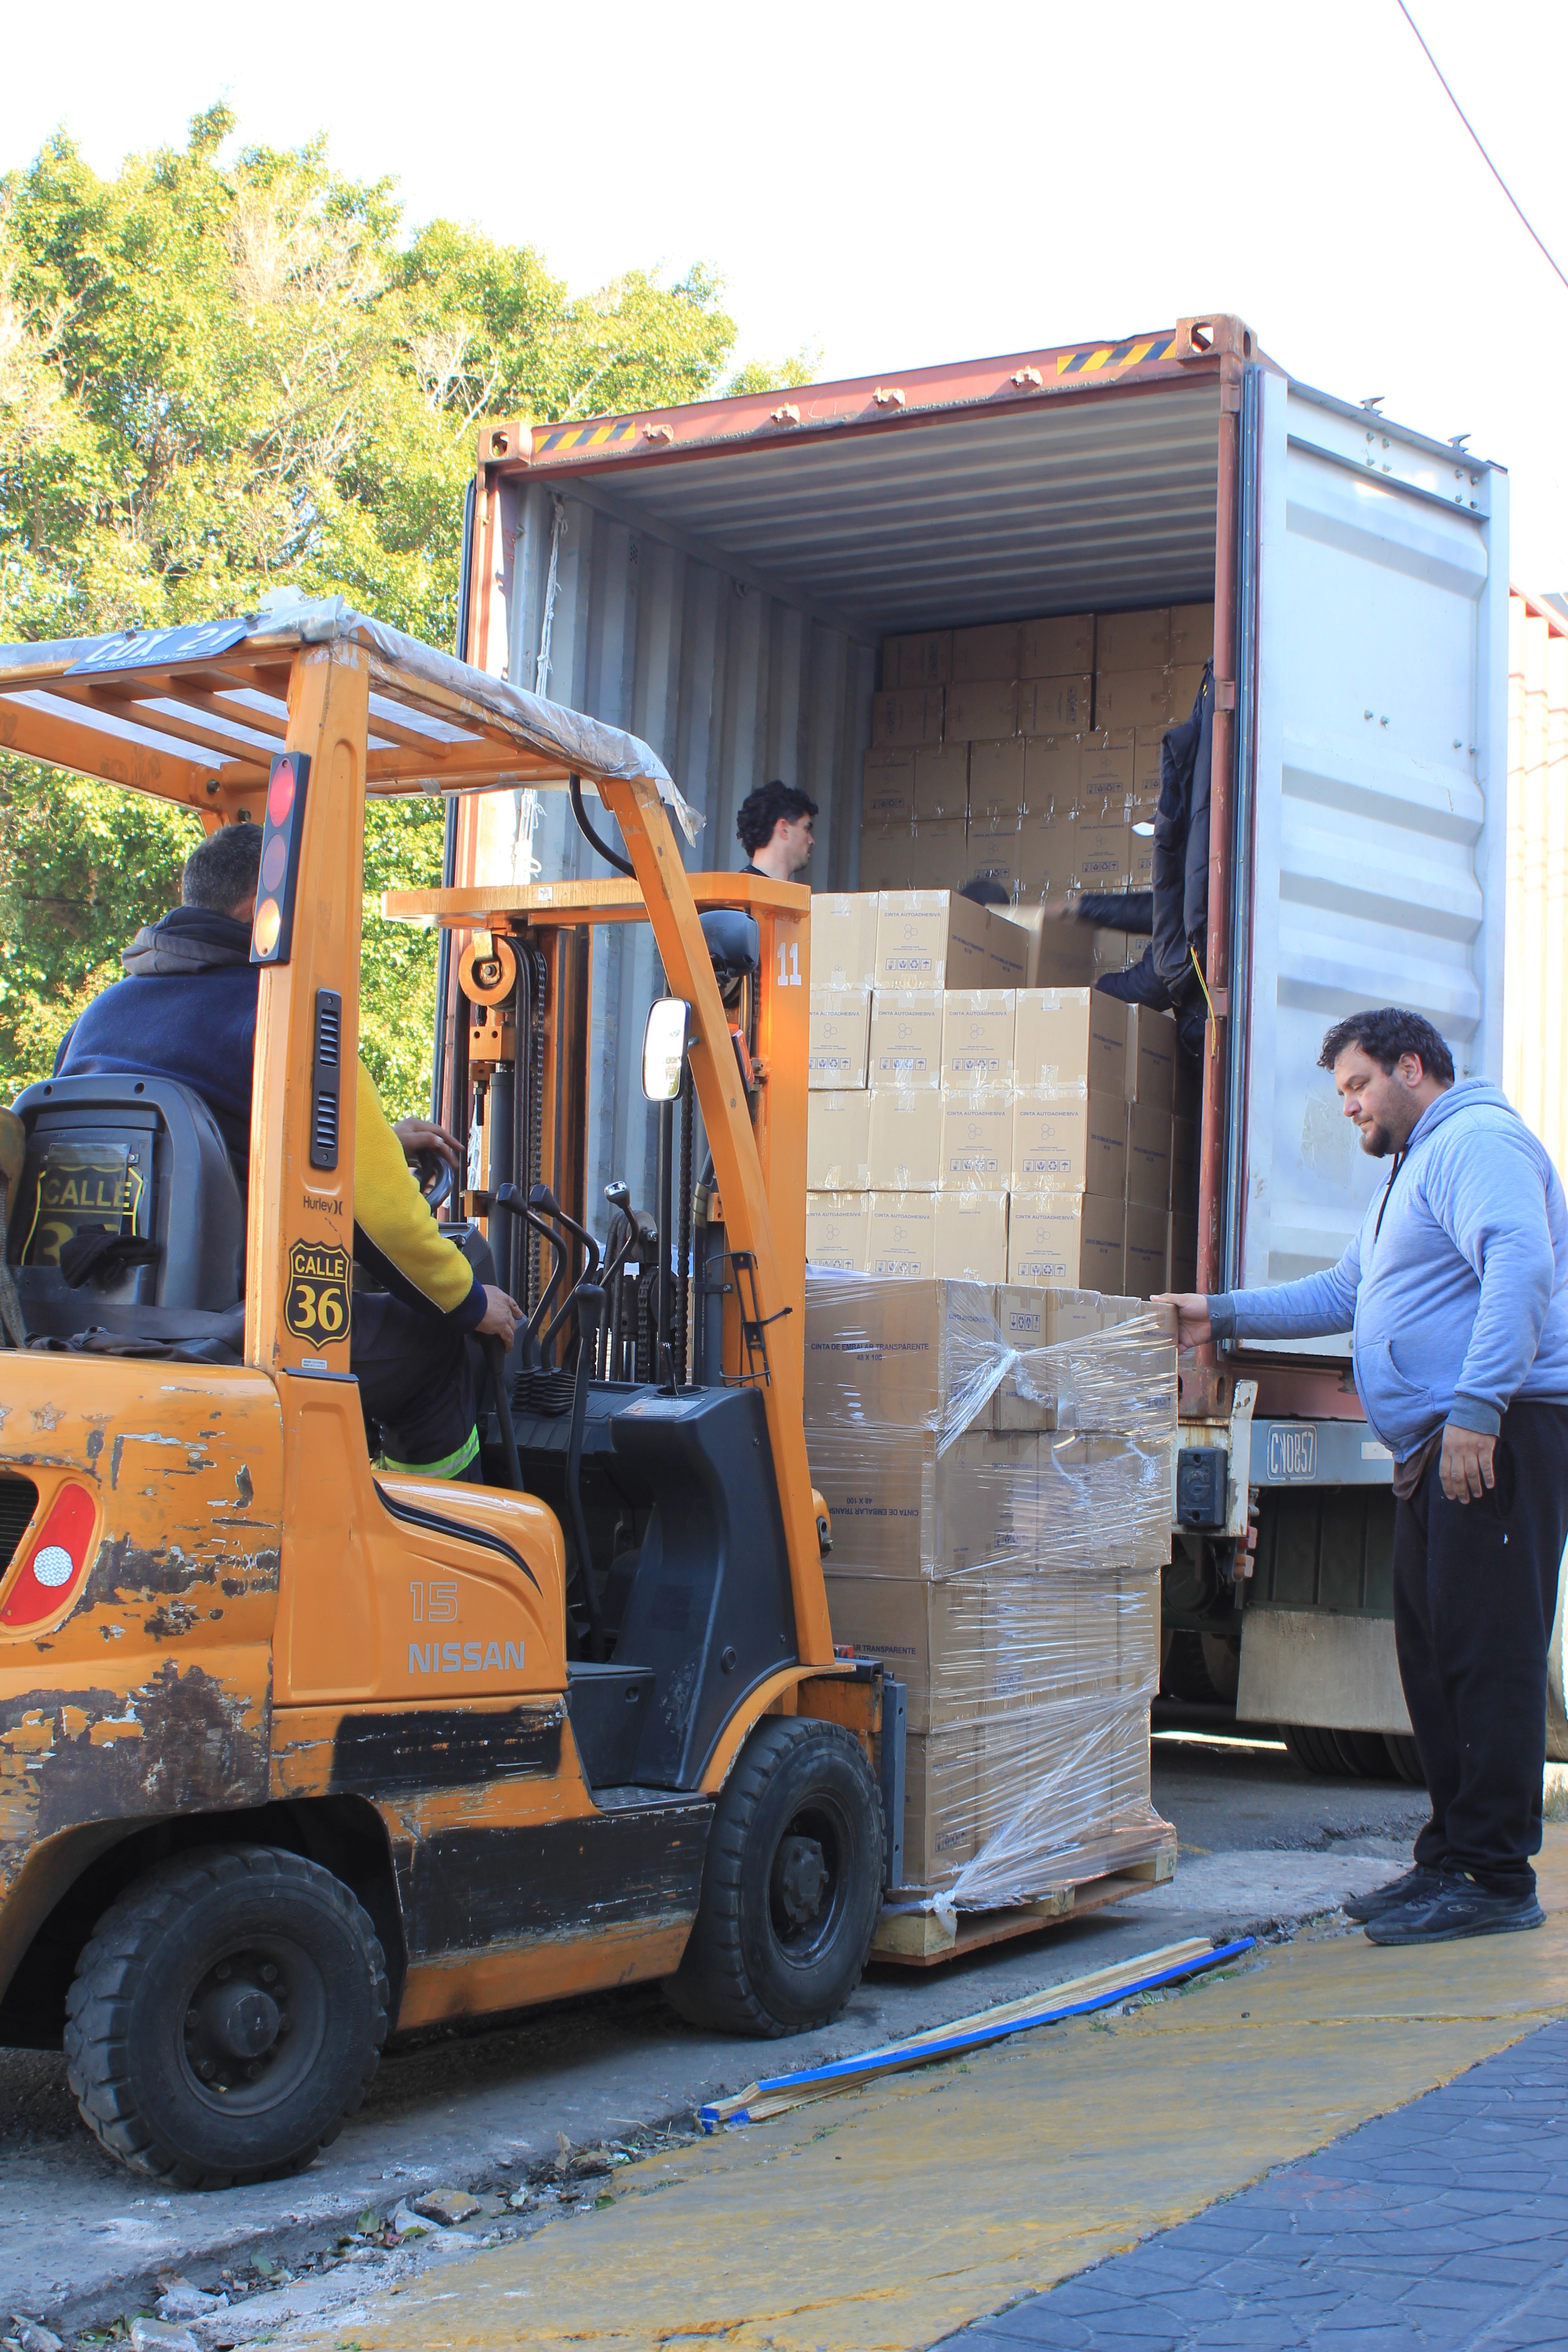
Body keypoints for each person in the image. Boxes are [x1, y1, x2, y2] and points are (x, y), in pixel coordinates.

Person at [1158, 1006, 1568, 1945]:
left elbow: (1520, 1264)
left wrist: (1478, 1409)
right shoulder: (1412, 1168)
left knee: (1488, 1653)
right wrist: (1218, 1313)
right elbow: (1346, 1292)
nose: (1347, 1106)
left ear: (1410, 1067)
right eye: (1342, 1090)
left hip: (1497, 1435)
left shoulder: (1475, 1141)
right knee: (1433, 1653)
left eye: (1357, 1084)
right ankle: (1452, 1858)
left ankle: (1496, 1875)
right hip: (1442, 1442)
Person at [56, 823, 522, 1482]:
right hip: (230, 1331)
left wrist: (380, 1141)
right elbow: (385, 1223)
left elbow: (203, 1139)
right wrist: (471, 1302)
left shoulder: (98, 1017)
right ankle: (436, 1530)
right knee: (433, 1343)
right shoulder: (282, 1019)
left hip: (85, 1316)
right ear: (262, 912)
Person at [736, 781, 817, 881]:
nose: (812, 841)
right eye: (806, 829)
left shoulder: (736, 886)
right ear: (784, 829)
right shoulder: (738, 889)